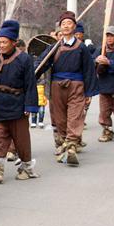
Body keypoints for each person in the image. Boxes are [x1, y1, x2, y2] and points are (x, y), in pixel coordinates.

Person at [36, 11, 98, 166]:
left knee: (75, 116)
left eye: (69, 23)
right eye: (63, 24)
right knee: (60, 119)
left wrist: (89, 92)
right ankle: (64, 143)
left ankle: (71, 146)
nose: (66, 26)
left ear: (74, 27)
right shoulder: (53, 47)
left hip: (76, 86)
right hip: (57, 86)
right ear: (60, 28)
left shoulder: (81, 48)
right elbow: (41, 64)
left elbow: (89, 70)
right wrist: (31, 76)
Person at [0, 20, 39, 184]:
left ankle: (26, 168)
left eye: (4, 42)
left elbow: (30, 84)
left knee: (21, 140)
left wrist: (29, 105)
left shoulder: (24, 59)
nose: (1, 45)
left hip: (17, 104)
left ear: (13, 42)